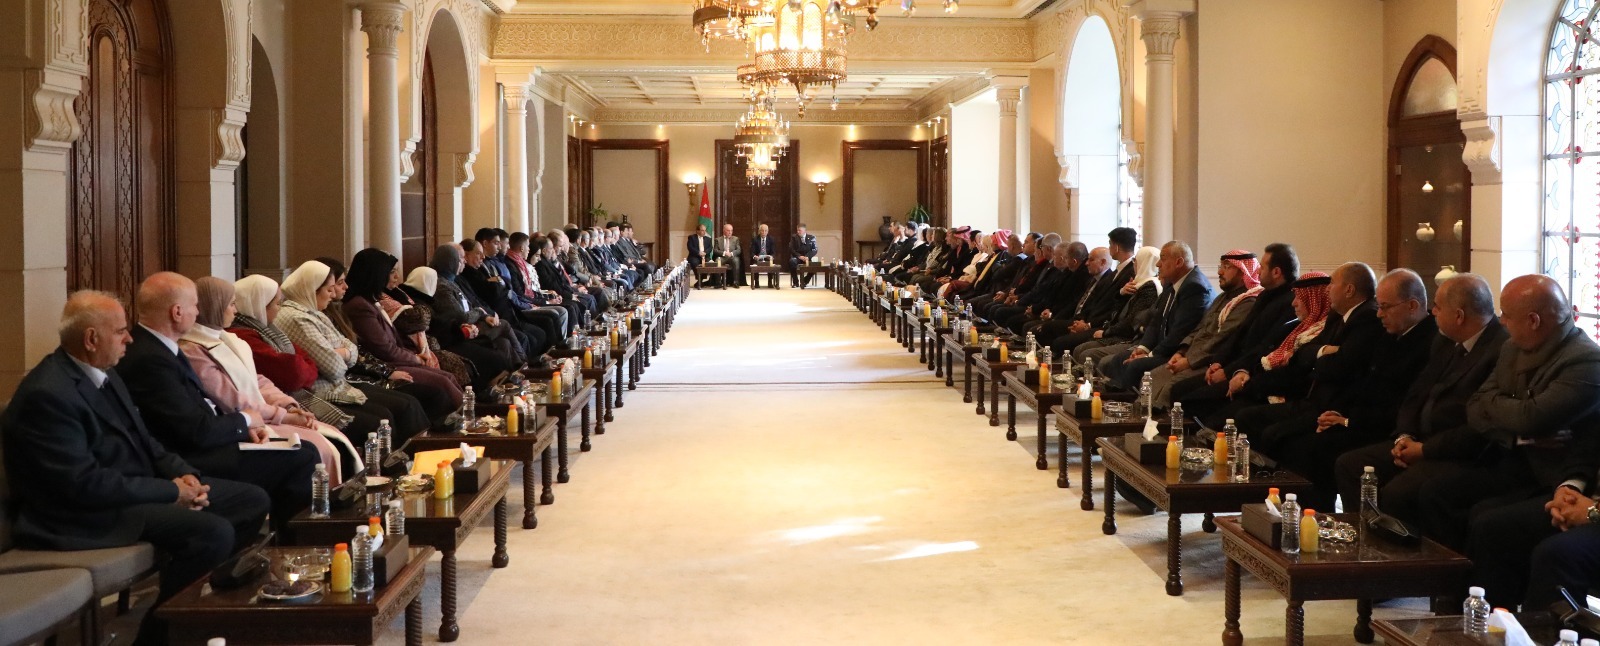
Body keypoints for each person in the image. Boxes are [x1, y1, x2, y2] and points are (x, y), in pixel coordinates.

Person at [1, 291, 270, 611]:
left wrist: (184, 475)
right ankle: (164, 628)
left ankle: (212, 606)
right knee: (212, 533)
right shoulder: (48, 395)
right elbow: (84, 484)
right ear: (91, 339)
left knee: (251, 500)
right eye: (120, 331)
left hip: (130, 491)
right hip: (80, 515)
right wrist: (171, 491)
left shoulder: (106, 371)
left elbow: (145, 440)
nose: (129, 338)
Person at [1421, 275, 1600, 607]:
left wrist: (1510, 413)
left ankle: (1495, 617)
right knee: (1442, 495)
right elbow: (1476, 406)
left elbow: (1531, 417)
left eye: (1506, 314)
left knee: (1491, 523)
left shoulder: (1585, 359)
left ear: (1533, 321)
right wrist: (1519, 432)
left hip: (1549, 475)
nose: (1501, 321)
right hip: (1520, 461)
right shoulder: (1512, 348)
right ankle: (1458, 604)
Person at [116, 272, 319, 534]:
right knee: (301, 458)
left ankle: (286, 541)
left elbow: (200, 409)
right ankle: (291, 544)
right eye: (194, 305)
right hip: (189, 455)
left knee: (303, 451)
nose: (198, 312)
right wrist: (245, 420)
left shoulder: (160, 347)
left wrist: (243, 428)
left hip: (203, 442)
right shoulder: (150, 357)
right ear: (177, 312)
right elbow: (193, 430)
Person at [1333, 273, 1506, 526]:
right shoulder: (1445, 341)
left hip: (1456, 452)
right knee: (1350, 465)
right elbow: (1416, 395)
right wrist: (1404, 436)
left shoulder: (1500, 349)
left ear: (1459, 315)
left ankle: (1398, 549)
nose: (1432, 312)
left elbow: (1479, 423)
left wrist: (1423, 450)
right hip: (1418, 440)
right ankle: (1362, 538)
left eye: (1437, 307)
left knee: (1398, 494)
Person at [1259, 269, 1437, 511]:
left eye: (1385, 307)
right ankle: (1299, 516)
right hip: (1363, 417)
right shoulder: (1391, 334)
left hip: (1387, 428)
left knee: (1314, 450)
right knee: (1295, 442)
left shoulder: (1429, 342)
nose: (1379, 313)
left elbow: (1400, 403)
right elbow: (1365, 384)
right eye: (1379, 306)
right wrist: (1337, 414)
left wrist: (1347, 421)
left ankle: (1323, 519)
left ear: (1412, 306)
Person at [181, 277, 353, 486]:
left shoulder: (229, 339)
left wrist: (287, 405)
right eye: (231, 304)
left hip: (263, 413)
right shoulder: (194, 349)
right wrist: (283, 416)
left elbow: (257, 380)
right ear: (215, 307)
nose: (236, 310)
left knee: (332, 438)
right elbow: (231, 399)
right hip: (241, 423)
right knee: (316, 449)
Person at [274, 261, 434, 446]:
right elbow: (334, 367)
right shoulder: (298, 318)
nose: (333, 294)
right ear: (312, 290)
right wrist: (345, 354)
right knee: (393, 412)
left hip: (341, 382)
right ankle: (405, 457)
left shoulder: (315, 312)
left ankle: (422, 452)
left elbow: (352, 347)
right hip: (326, 390)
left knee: (410, 402)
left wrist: (341, 352)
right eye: (329, 289)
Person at [345, 248, 468, 408]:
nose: (396, 277)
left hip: (397, 359)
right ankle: (465, 417)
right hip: (385, 365)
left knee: (448, 377)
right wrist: (415, 358)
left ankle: (466, 414)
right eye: (390, 272)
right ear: (376, 274)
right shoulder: (360, 306)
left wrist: (415, 357)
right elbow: (384, 349)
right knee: (443, 382)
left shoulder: (371, 300)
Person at [1147, 250, 1263, 411]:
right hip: (1193, 356)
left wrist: (1189, 361)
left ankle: (1161, 423)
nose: (1219, 272)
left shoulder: (1248, 302)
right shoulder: (1222, 298)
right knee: (1153, 377)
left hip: (1211, 361)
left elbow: (1221, 339)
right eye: (1220, 266)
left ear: (1243, 271)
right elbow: (1200, 328)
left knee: (1172, 387)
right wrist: (1181, 352)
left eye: (1227, 267)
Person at [1104, 241, 1215, 388]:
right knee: (1119, 359)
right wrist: (1143, 348)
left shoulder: (1195, 287)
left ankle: (1128, 400)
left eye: (1162, 259)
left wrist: (1150, 355)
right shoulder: (1172, 283)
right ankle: (1113, 397)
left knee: (1135, 366)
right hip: (1162, 347)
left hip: (1178, 352)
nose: (1157, 264)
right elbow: (1156, 322)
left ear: (1179, 262)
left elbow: (1180, 333)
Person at [715, 223, 744, 287]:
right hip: (722, 257)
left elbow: (738, 250)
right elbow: (715, 250)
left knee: (736, 261)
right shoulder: (718, 240)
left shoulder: (736, 239)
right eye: (728, 230)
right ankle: (718, 282)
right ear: (724, 230)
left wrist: (731, 253)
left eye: (731, 230)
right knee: (717, 261)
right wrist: (724, 253)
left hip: (732, 257)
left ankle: (736, 282)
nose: (730, 232)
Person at [790, 223, 819, 288]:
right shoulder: (794, 237)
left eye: (800, 230)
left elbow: (815, 249)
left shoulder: (812, 237)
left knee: (815, 264)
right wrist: (799, 256)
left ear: (805, 231)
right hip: (798, 257)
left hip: (808, 258)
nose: (798, 232)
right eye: (797, 230)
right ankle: (795, 282)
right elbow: (791, 249)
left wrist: (807, 256)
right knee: (792, 261)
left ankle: (805, 281)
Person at [750, 223, 778, 288]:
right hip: (758, 257)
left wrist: (771, 257)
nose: (764, 232)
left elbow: (773, 252)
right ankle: (756, 282)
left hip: (767, 257)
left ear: (768, 231)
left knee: (771, 261)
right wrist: (754, 256)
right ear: (759, 231)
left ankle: (770, 282)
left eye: (765, 231)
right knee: (754, 261)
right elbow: (752, 252)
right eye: (762, 230)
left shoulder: (771, 239)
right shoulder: (755, 239)